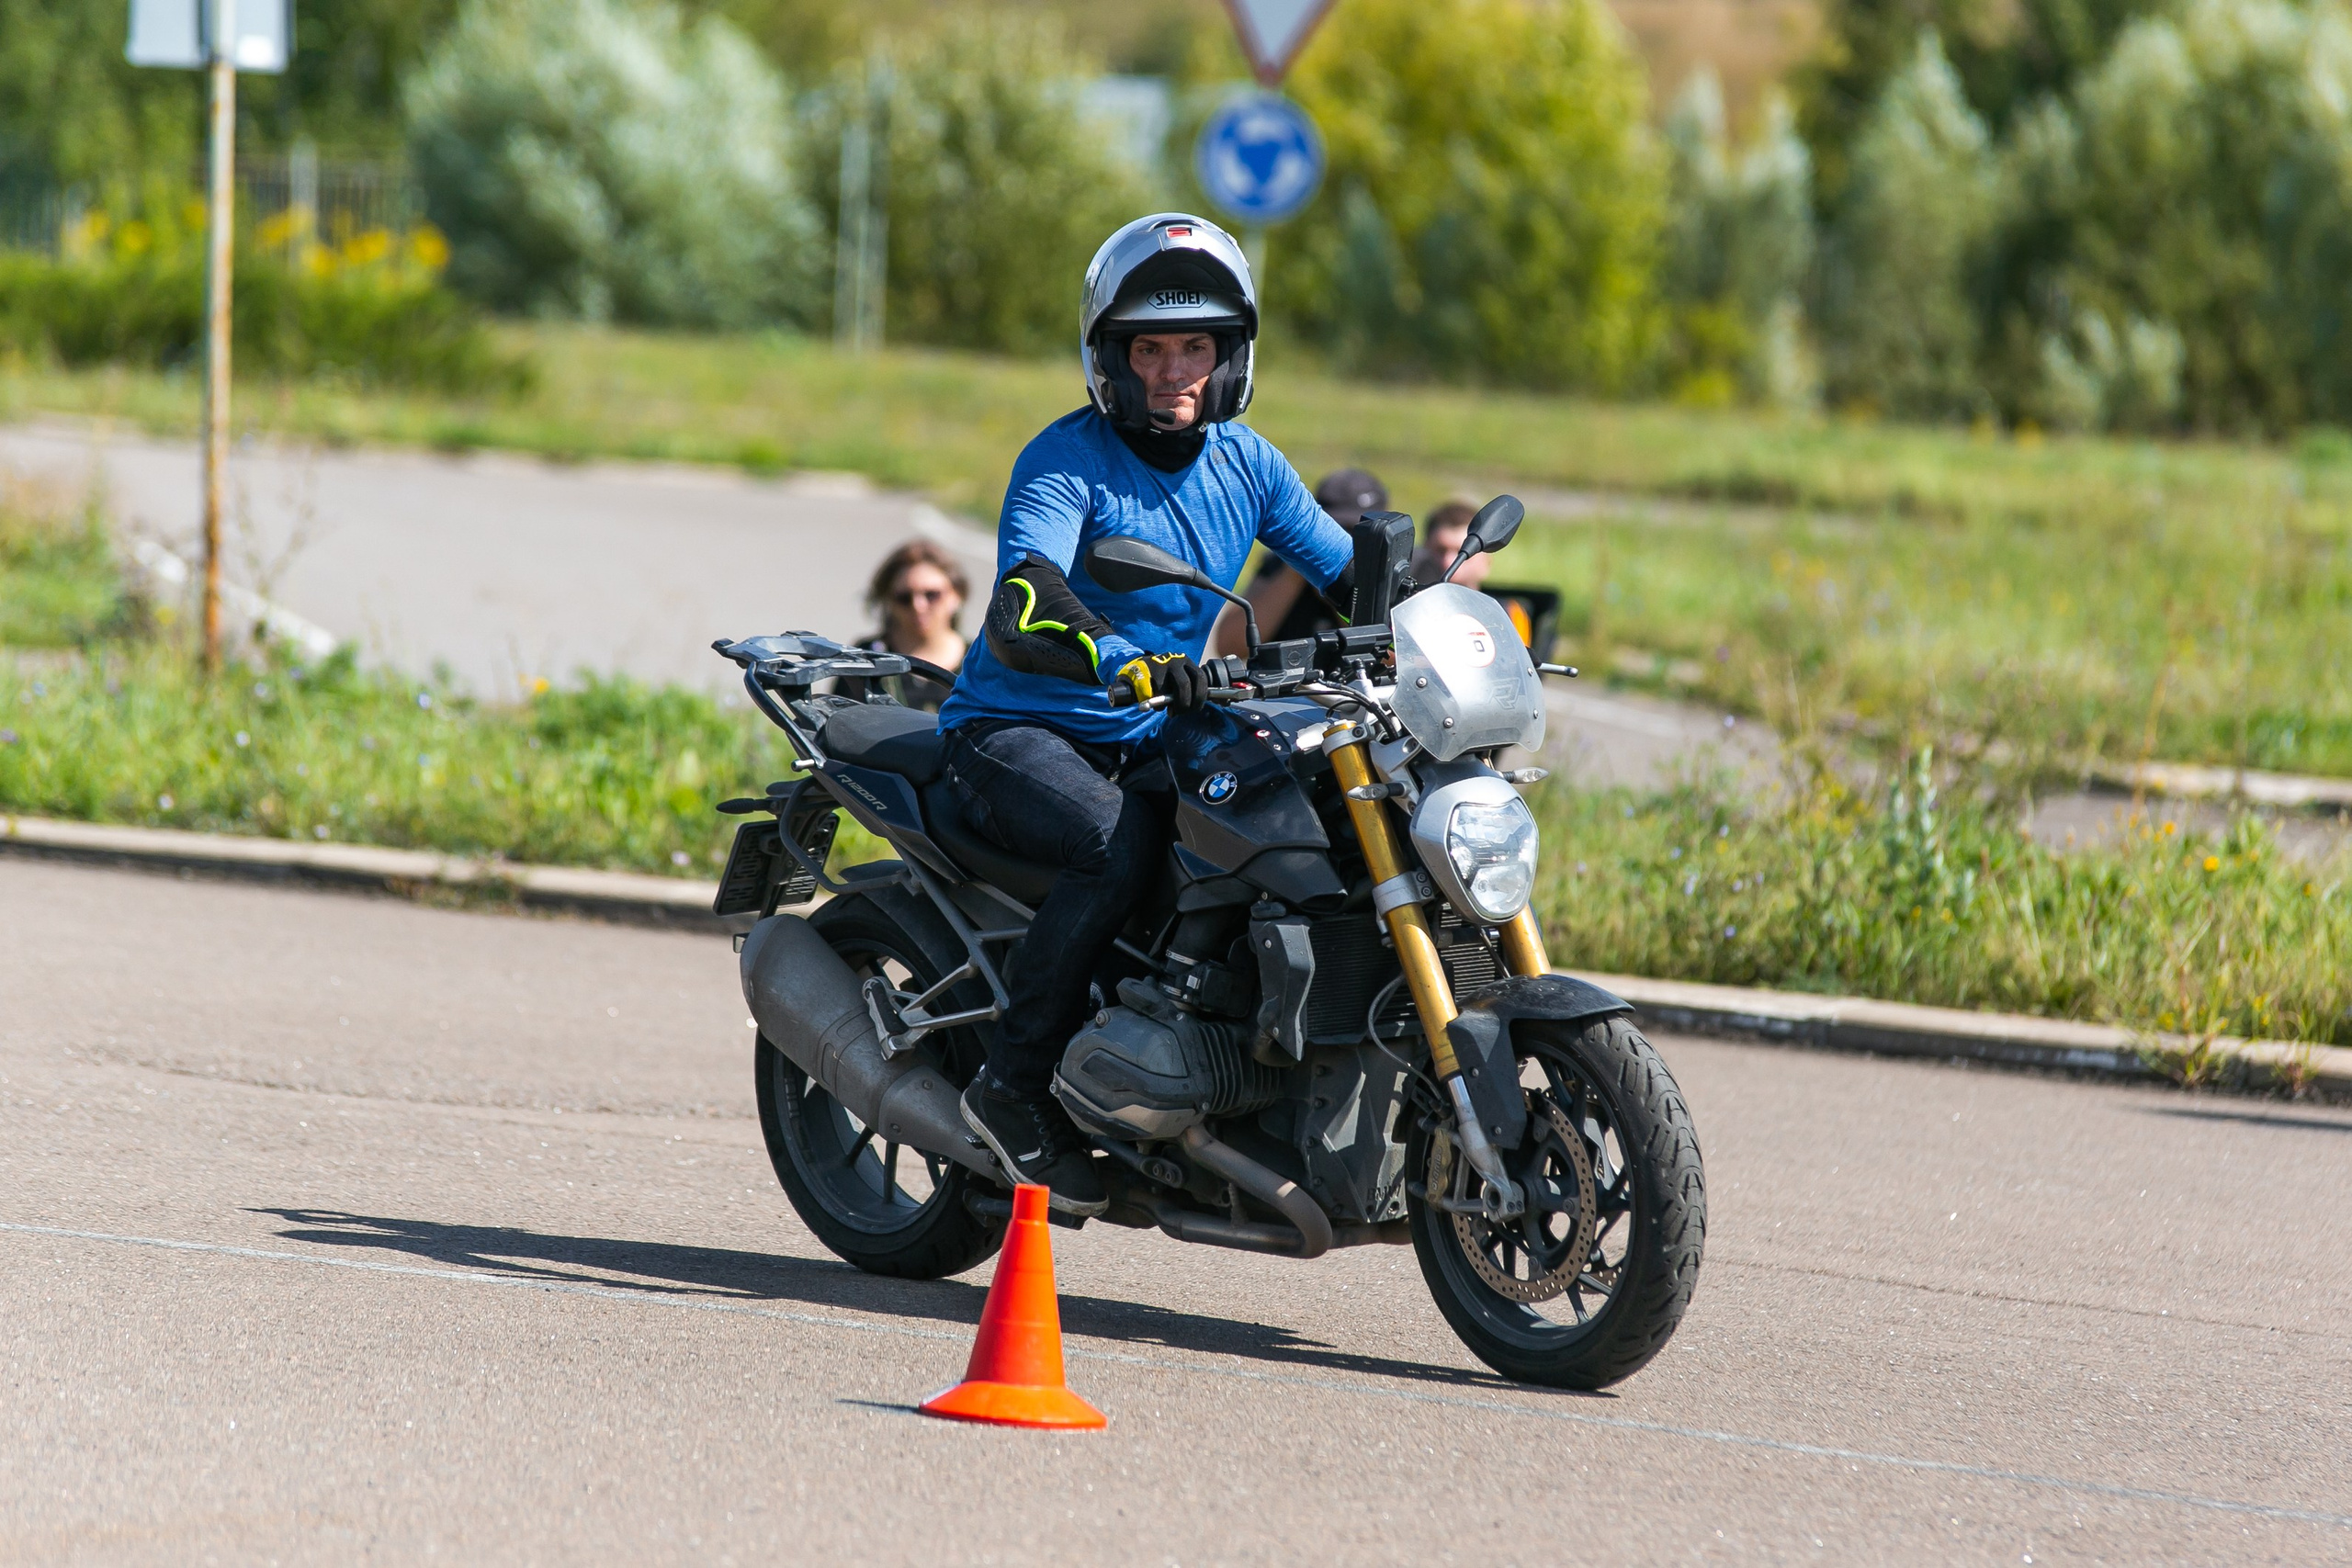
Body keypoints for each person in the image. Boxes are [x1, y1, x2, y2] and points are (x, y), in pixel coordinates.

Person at [935, 213, 1356, 1215]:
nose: (1175, 371)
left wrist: (1442, 621)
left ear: (1230, 356)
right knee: (1112, 848)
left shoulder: (1247, 463)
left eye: (1196, 347)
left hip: (1153, 730)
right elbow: (1024, 597)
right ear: (1111, 358)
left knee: (1282, 823)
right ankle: (1010, 1085)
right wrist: (1127, 662)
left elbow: (1343, 571)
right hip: (1016, 730)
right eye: (1151, 347)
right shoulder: (1064, 462)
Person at [1209, 468, 1386, 656]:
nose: (1347, 541)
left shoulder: (1394, 568)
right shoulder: (1282, 566)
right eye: (1340, 529)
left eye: (1360, 531)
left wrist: (1341, 593)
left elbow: (1392, 657)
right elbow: (1229, 647)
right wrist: (1298, 572)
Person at [836, 539, 968, 711]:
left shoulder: (981, 662)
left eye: (932, 595)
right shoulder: (864, 661)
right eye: (904, 598)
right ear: (888, 602)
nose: (918, 606)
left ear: (957, 595)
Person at [1409, 498, 1493, 592]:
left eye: (1462, 553)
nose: (1448, 563)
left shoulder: (1506, 607)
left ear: (1486, 561)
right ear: (1425, 548)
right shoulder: (1397, 605)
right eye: (1440, 550)